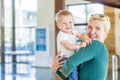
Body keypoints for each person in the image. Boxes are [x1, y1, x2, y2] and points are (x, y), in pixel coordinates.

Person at [52, 14, 111, 80]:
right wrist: (57, 71)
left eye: (98, 28)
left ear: (106, 32)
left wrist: (58, 70)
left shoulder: (96, 44)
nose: (92, 32)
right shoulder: (94, 48)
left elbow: (69, 64)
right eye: (90, 27)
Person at [55, 10, 91, 80]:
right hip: (64, 59)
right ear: (58, 25)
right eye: (64, 23)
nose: (68, 25)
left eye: (70, 22)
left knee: (79, 68)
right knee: (73, 73)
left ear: (74, 22)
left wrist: (86, 38)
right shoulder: (61, 35)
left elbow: (80, 35)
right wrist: (79, 45)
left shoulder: (73, 31)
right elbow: (67, 46)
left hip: (72, 57)